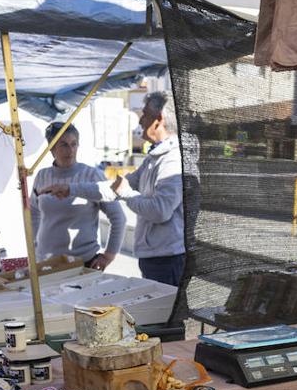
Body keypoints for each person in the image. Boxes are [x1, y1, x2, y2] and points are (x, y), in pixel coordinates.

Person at [46, 92, 186, 285]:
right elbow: (113, 188)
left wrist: (126, 193)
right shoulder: (155, 157)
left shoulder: (172, 160)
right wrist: (71, 189)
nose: (140, 122)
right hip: (155, 258)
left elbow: (160, 211)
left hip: (167, 260)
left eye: (144, 115)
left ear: (158, 120)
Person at [31, 121, 125, 270]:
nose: (70, 150)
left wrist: (108, 256)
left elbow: (118, 217)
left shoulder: (92, 175)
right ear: (51, 148)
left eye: (74, 144)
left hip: (83, 262)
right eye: (64, 145)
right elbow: (33, 212)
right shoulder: (42, 175)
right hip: (46, 262)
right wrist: (35, 246)